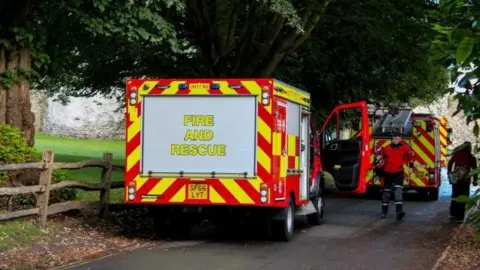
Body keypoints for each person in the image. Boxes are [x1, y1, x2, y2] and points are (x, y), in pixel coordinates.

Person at [376, 131, 414, 220]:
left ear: (400, 139)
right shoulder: (387, 148)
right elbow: (380, 155)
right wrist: (378, 157)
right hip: (388, 173)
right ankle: (384, 212)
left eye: (396, 139)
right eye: (393, 139)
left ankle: (399, 212)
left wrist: (411, 167)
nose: (395, 141)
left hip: (398, 173)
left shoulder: (405, 148)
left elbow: (411, 157)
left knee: (398, 192)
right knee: (386, 193)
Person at [447, 141, 478, 223]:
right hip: (465, 181)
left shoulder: (457, 154)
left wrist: (449, 173)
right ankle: (460, 218)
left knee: (455, 196)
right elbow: (474, 170)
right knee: (463, 198)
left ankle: (452, 215)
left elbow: (449, 163)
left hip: (456, 180)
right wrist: (475, 180)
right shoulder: (471, 157)